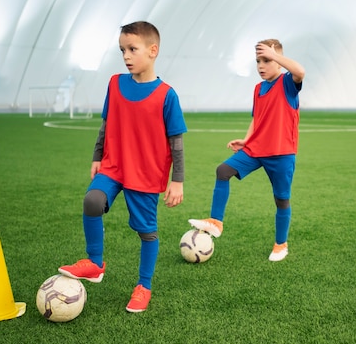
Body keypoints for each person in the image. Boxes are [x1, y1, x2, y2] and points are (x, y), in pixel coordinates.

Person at [59, 21, 187, 312]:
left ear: (153, 51)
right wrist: (97, 156)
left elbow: (176, 142)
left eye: (132, 49)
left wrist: (177, 180)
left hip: (145, 173)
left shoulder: (167, 95)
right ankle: (94, 262)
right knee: (92, 201)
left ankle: (144, 286)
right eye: (122, 50)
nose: (126, 55)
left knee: (146, 232)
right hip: (114, 165)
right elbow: (106, 123)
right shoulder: (115, 83)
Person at [188, 39, 305, 262]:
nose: (261, 66)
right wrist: (246, 139)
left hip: (281, 153)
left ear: (279, 62)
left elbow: (300, 71)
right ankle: (216, 221)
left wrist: (276, 55)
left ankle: (281, 244)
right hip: (255, 148)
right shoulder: (258, 89)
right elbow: (257, 119)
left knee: (281, 200)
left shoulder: (287, 82)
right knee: (223, 171)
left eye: (267, 60)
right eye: (258, 61)